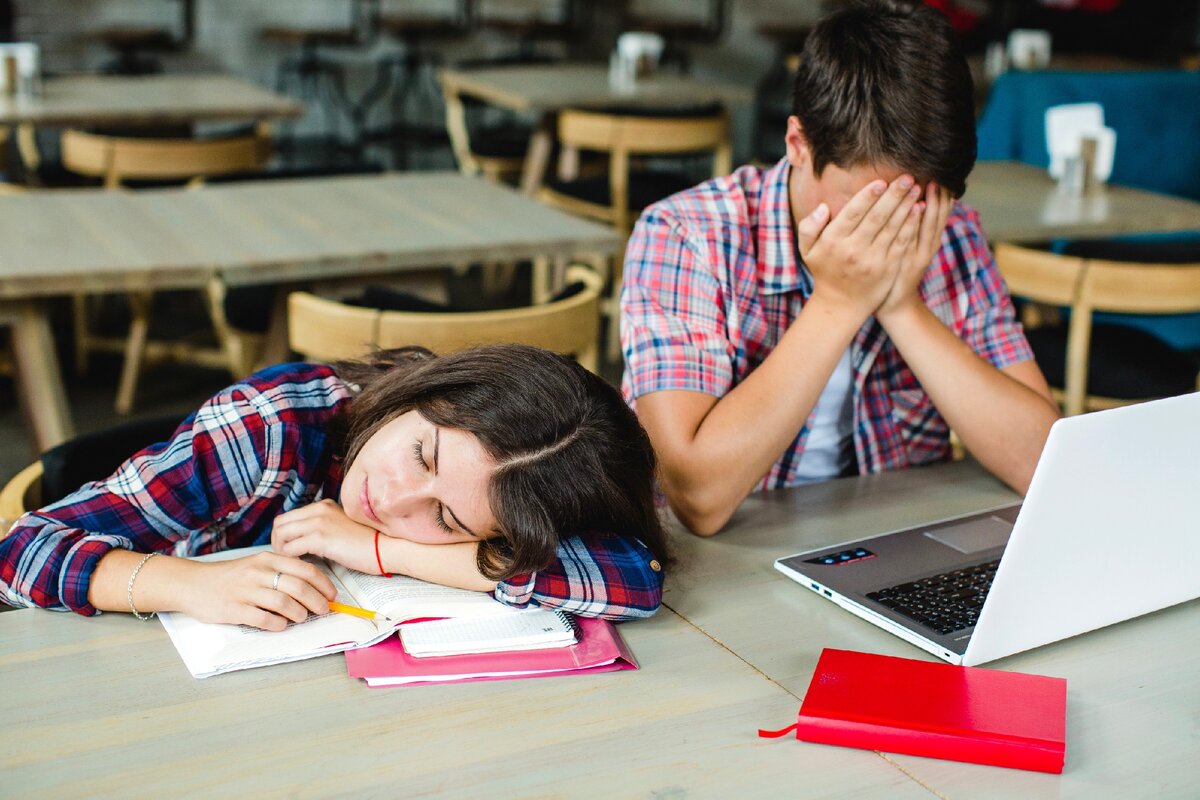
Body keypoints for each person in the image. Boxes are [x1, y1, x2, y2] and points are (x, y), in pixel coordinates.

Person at [620, 0, 1060, 537]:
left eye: (918, 203)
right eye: (870, 202)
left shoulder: (950, 233)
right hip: (717, 567)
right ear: (798, 145)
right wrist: (839, 302)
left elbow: (1044, 464)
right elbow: (698, 498)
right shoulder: (689, 235)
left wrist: (902, 307)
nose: (894, 224)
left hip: (885, 544)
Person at [0, 344, 668, 627]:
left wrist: (383, 552)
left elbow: (634, 579)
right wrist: (194, 583)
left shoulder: (513, 488)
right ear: (430, 394)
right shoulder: (276, 424)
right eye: (421, 453)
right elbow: (20, 553)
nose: (393, 498)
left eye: (446, 519)